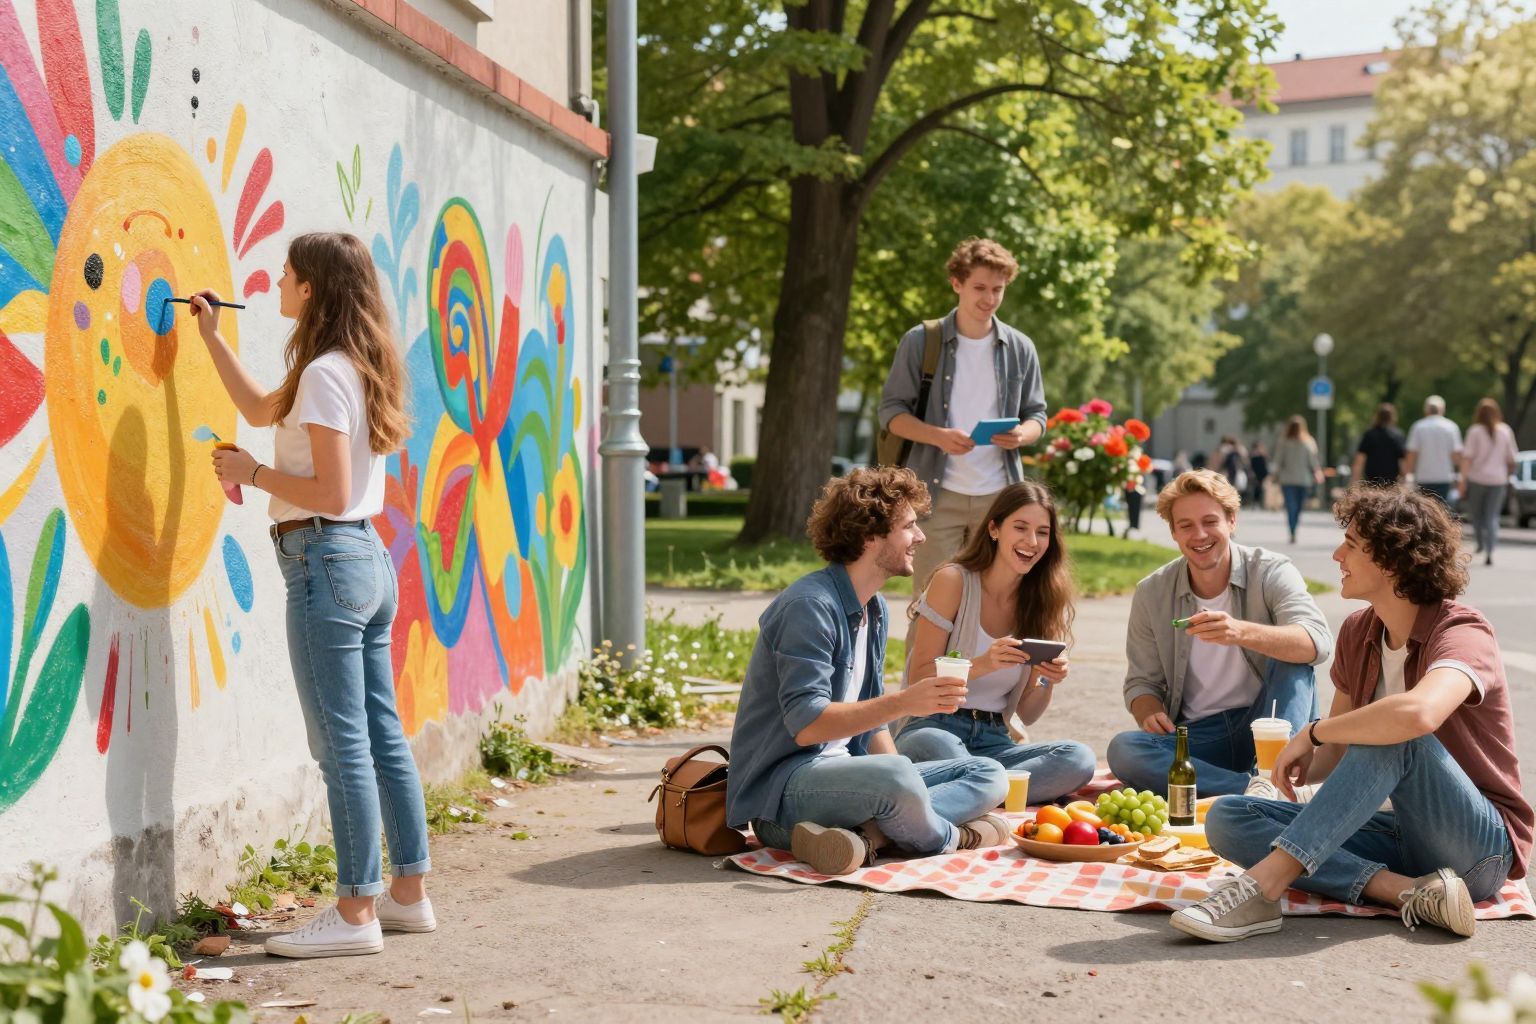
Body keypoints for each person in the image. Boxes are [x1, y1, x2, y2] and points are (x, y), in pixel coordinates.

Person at [194, 233, 433, 958]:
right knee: (380, 734)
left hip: (325, 557)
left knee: (341, 745)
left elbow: (325, 489)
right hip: (361, 557)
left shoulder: (327, 373)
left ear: (314, 290)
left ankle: (355, 913)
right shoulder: (340, 368)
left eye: (289, 272)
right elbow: (263, 408)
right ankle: (407, 897)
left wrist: (253, 473)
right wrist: (209, 336)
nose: (278, 277)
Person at [1173, 487, 1532, 942]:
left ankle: (1264, 888)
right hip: (1398, 834)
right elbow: (1335, 755)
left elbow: (1417, 714)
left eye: (1353, 545)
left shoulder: (1462, 630)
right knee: (1229, 817)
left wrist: (1315, 731)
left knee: (1396, 734)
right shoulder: (1359, 632)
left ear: (1392, 560)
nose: (1337, 553)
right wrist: (1293, 764)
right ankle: (1408, 893)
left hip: (1477, 849)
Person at [725, 468, 1011, 876]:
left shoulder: (872, 609)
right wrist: (907, 704)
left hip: (844, 780)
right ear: (869, 535)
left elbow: (874, 725)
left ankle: (867, 838)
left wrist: (903, 777)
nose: (921, 537)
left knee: (988, 772)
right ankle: (954, 837)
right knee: (896, 778)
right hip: (784, 793)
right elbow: (807, 726)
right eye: (910, 526)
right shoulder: (809, 607)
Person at [1108, 470, 1329, 798]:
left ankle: (1272, 774)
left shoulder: (1271, 570)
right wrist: (1148, 710)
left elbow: (1317, 642)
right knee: (1124, 750)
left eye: (1210, 521)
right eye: (1186, 525)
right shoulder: (1152, 592)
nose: (1199, 535)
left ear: (1232, 521)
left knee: (1293, 659)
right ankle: (1259, 790)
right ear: (1173, 532)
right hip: (1201, 734)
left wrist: (1240, 631)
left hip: (1269, 721)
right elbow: (1141, 682)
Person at [893, 481, 1096, 804]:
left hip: (994, 740)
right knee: (941, 751)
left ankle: (972, 794)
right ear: (994, 529)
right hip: (934, 727)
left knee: (1079, 759)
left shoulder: (1042, 600)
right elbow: (919, 676)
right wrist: (984, 664)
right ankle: (989, 792)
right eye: (1020, 527)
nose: (1032, 542)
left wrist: (1047, 679)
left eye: (1042, 532)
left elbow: (1027, 714)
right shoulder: (954, 581)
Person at [879, 237, 1048, 589]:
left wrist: (1022, 434)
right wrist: (937, 436)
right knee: (930, 603)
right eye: (980, 288)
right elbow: (891, 412)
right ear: (957, 284)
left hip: (1000, 497)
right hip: (936, 495)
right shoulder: (921, 341)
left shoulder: (1020, 347)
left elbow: (1037, 415)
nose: (989, 299)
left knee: (996, 600)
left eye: (998, 289)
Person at [1459, 398, 1519, 566]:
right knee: (1492, 516)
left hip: (1477, 479)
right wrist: (1508, 475)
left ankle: (1480, 543)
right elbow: (1512, 459)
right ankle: (1490, 550)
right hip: (1498, 480)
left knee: (1477, 514)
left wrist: (1462, 481)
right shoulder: (1505, 431)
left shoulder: (1475, 431)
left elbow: (1467, 458)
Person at [1405, 394, 1462, 506]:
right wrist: (1458, 473)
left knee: (1425, 510)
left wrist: (1408, 474)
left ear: (1426, 410)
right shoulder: (1451, 427)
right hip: (1444, 476)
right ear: (1443, 409)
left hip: (1423, 476)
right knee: (1442, 511)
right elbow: (1456, 455)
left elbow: (1412, 454)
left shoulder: (1418, 427)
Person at [1274, 416, 1323, 544]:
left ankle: (1292, 529)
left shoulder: (1287, 441)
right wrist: (1317, 472)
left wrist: (1275, 474)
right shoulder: (1307, 441)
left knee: (1293, 506)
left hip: (1290, 479)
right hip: (1301, 480)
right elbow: (1313, 461)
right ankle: (1293, 529)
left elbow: (1278, 460)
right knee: (1295, 506)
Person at [1352, 402, 1407, 488]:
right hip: (1391, 483)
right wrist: (1404, 480)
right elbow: (1402, 462)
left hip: (1371, 482)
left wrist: (1354, 481)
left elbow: (1360, 460)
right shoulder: (1397, 435)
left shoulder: (1369, 434)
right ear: (1392, 417)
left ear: (1377, 416)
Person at [1248, 441, 1269, 507]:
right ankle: (1256, 502)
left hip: (1261, 474)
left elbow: (1264, 465)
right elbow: (1251, 466)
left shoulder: (1262, 456)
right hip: (1256, 474)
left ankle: (1259, 502)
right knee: (1257, 488)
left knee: (1260, 488)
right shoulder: (1253, 456)